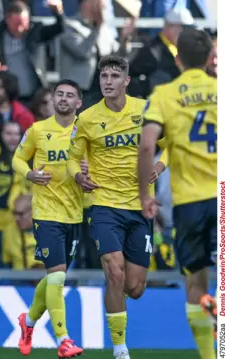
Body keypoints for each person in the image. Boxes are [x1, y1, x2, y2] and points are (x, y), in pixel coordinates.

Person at [66, 55, 167, 359]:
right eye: (103, 76)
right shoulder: (86, 118)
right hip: (103, 203)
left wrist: (159, 167)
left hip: (138, 205)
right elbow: (72, 157)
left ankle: (115, 300)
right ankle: (120, 349)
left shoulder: (145, 110)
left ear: (126, 81)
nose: (107, 81)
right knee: (114, 271)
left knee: (134, 288)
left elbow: (170, 145)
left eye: (114, 76)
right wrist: (78, 176)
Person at [138, 28, 216, 359]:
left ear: (177, 57)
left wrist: (145, 194)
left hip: (188, 203)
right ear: (212, 55)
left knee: (195, 283)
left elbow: (146, 145)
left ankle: (210, 356)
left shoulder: (165, 95)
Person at [12, 79, 84, 358]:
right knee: (56, 277)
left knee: (56, 277)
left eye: (70, 95)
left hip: (75, 213)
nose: (64, 99)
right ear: (54, 100)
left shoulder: (85, 133)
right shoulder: (38, 130)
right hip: (45, 213)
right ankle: (64, 339)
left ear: (79, 103)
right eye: (60, 94)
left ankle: (28, 321)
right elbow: (18, 159)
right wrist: (28, 174)